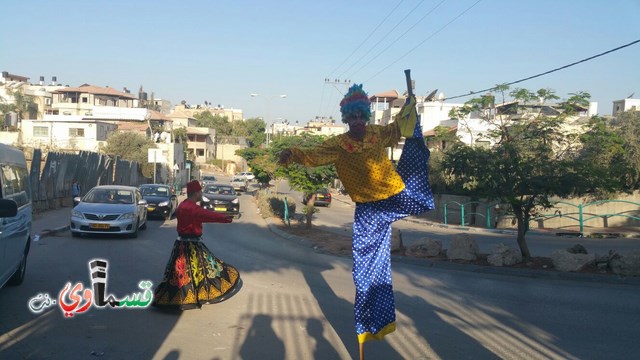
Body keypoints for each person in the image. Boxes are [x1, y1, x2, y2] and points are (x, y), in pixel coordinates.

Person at [279, 83, 435, 350]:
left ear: (366, 115)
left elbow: (398, 129)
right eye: (353, 117)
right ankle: (371, 325)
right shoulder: (339, 145)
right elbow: (314, 154)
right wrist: (291, 153)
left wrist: (410, 108)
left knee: (418, 176)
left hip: (396, 196)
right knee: (366, 270)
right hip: (368, 209)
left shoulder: (378, 133)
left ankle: (373, 322)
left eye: (361, 116)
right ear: (346, 118)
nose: (358, 121)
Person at [152, 180, 240, 310]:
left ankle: (180, 297)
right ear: (195, 193)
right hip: (192, 245)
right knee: (207, 268)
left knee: (180, 273)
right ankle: (195, 296)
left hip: (180, 244)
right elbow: (208, 215)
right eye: (200, 192)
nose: (201, 194)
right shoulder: (192, 208)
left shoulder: (182, 205)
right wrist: (226, 219)